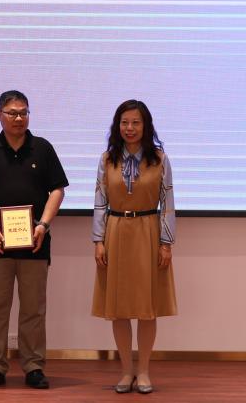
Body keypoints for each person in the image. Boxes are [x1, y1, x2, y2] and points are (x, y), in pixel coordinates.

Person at [0, 90, 68, 390]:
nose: (18, 118)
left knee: (33, 309)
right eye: (12, 113)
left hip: (35, 243)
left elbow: (57, 190)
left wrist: (44, 225)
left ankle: (34, 366)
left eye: (24, 112)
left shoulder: (43, 148)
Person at [91, 99, 177, 395]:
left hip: (148, 233)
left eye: (136, 122)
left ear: (146, 126)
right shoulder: (107, 159)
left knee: (147, 308)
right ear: (117, 125)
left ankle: (144, 372)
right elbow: (99, 202)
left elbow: (168, 203)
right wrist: (98, 241)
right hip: (115, 233)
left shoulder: (159, 158)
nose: (130, 128)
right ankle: (126, 371)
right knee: (119, 308)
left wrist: (166, 243)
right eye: (124, 122)